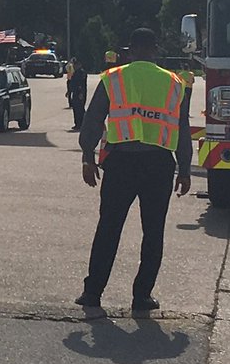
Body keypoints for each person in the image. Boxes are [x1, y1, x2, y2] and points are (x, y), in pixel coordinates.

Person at [76, 28, 192, 312]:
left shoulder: (114, 78)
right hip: (159, 165)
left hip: (121, 164)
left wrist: (87, 156)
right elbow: (182, 129)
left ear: (130, 50)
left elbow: (93, 119)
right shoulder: (175, 83)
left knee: (108, 228)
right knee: (153, 232)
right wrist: (185, 169)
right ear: (155, 49)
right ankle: (142, 297)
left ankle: (93, 293)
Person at [66, 59, 88, 131]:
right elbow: (72, 83)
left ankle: (82, 124)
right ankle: (77, 124)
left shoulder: (81, 72)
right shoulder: (75, 72)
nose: (74, 66)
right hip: (75, 92)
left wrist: (81, 93)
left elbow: (81, 84)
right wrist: (69, 91)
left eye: (76, 64)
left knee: (80, 109)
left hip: (80, 93)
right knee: (75, 108)